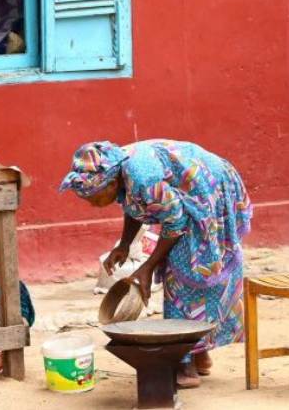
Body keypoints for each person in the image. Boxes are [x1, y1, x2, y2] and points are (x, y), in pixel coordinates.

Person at [59, 140, 252, 388]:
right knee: (185, 269)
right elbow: (136, 204)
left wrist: (147, 268)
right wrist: (124, 244)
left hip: (208, 187)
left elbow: (175, 222)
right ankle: (199, 353)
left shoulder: (143, 177)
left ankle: (184, 363)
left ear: (111, 183)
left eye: (93, 198)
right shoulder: (120, 169)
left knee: (181, 273)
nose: (92, 205)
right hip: (190, 191)